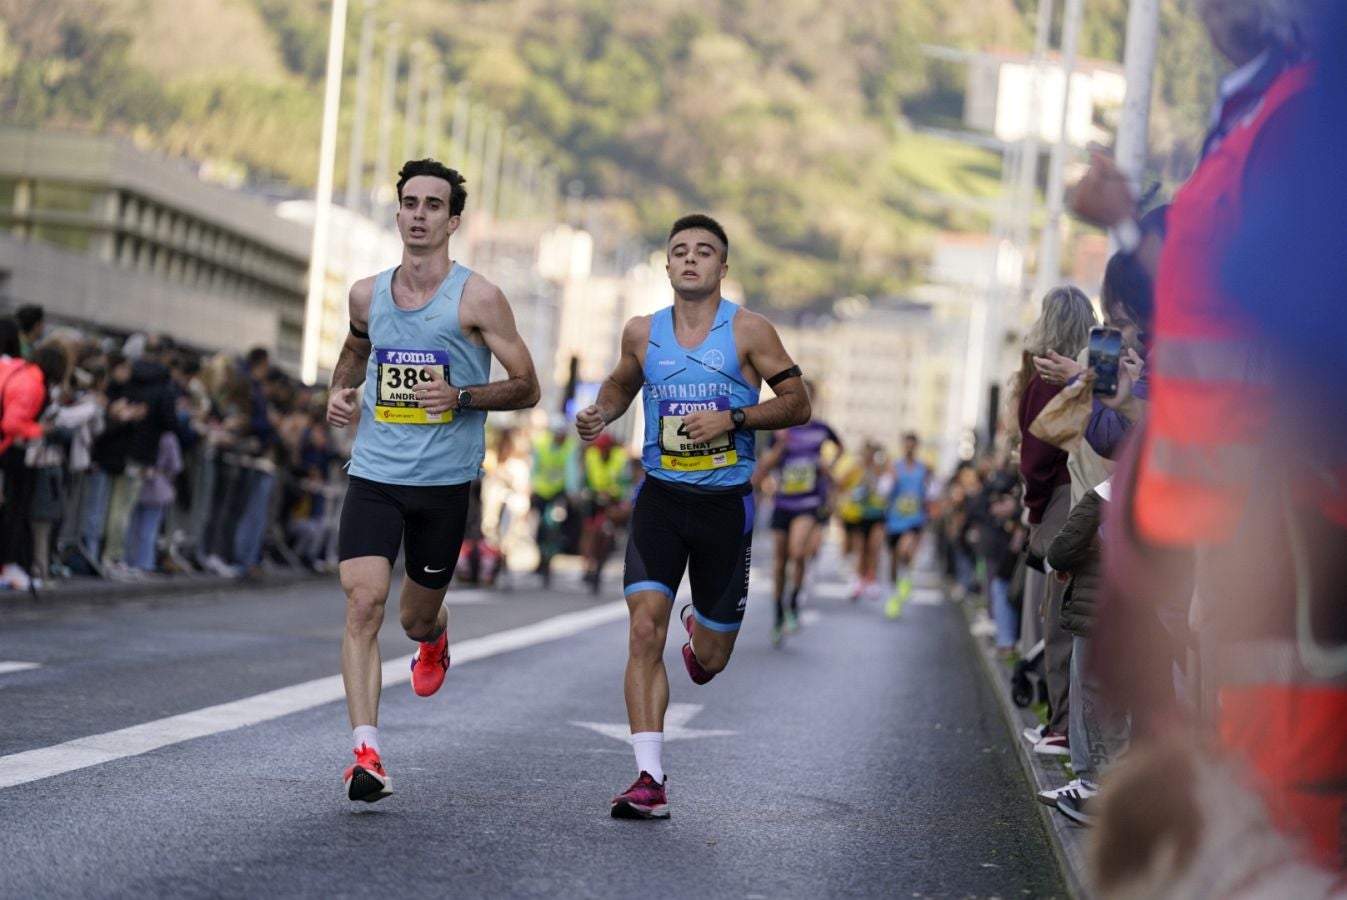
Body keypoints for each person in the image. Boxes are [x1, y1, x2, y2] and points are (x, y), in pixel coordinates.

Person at [575, 213, 810, 819]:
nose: (690, 259)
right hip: (660, 498)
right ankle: (649, 780)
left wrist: (732, 418)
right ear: (667, 264)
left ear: (722, 267)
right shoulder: (641, 331)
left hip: (725, 507)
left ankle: (698, 628)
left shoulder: (751, 332)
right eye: (680, 250)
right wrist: (600, 412)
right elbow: (620, 384)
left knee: (710, 660)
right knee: (642, 629)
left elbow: (797, 404)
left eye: (704, 252)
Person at [325, 158, 540, 803]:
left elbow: (528, 386)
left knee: (413, 619)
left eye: (432, 205)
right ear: (397, 214)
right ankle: (367, 754)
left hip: (445, 485)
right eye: (409, 203)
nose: (419, 214)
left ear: (452, 221)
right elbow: (357, 350)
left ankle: (436, 634)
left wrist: (463, 398)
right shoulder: (368, 293)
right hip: (375, 474)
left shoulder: (478, 298)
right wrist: (340, 392)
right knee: (363, 604)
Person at [753, 382, 840, 644]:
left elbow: (840, 451)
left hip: (808, 503)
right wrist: (780, 445)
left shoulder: (822, 430)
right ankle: (779, 612)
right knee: (779, 562)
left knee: (798, 551)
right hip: (783, 503)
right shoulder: (781, 431)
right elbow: (764, 468)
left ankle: (793, 603)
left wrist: (828, 467)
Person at [883, 432, 929, 619]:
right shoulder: (894, 467)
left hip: (914, 519)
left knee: (905, 551)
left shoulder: (923, 469)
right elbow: (884, 490)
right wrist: (890, 480)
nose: (909, 448)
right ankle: (894, 593)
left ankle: (907, 577)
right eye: (906, 445)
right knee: (893, 560)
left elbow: (928, 492)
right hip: (894, 520)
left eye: (912, 445)